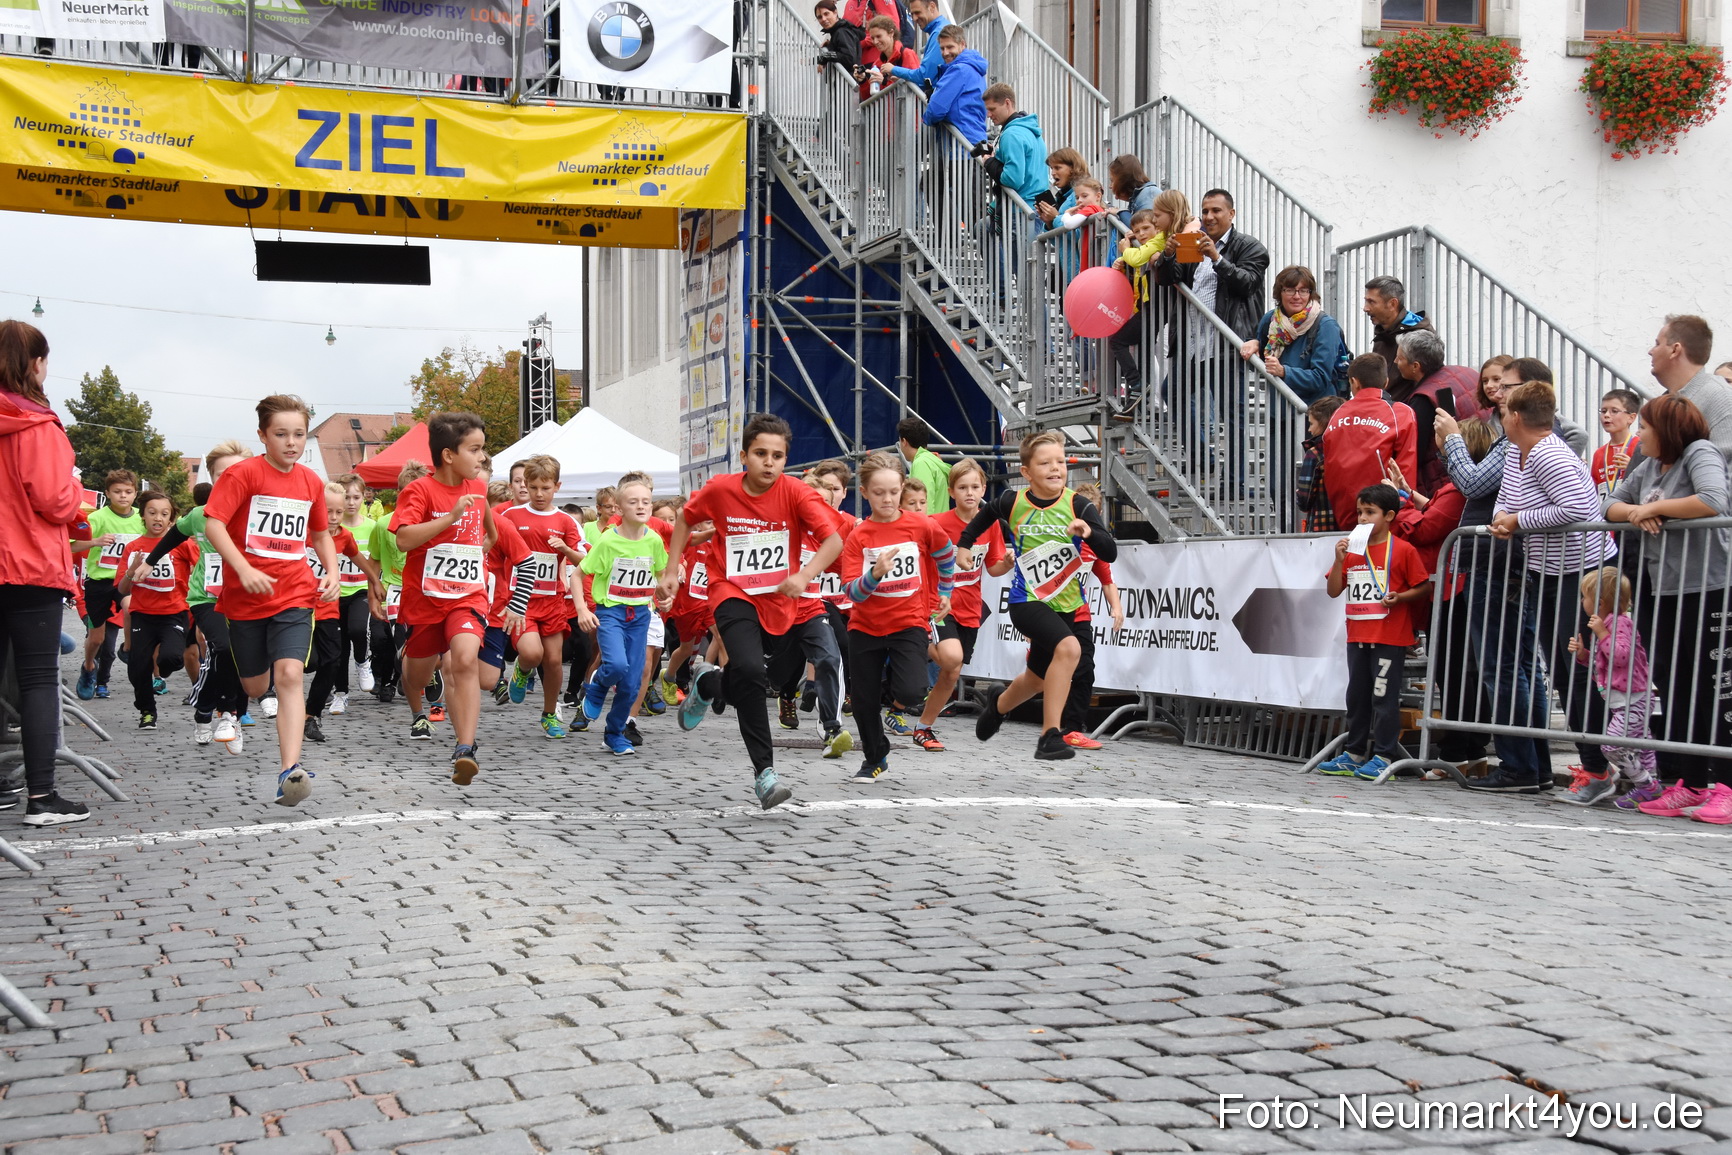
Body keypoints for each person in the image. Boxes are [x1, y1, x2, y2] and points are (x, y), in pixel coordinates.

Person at [656, 413, 844, 811]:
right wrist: (671, 570)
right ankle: (765, 775)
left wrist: (804, 574)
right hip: (731, 591)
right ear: (744, 456)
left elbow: (833, 541)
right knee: (751, 672)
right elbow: (686, 518)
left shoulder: (797, 493)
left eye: (778, 456)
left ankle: (708, 684)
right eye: (760, 453)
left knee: (757, 680)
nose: (769, 462)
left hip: (780, 600)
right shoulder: (721, 489)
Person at [1475, 380, 1615, 794]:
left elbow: (1576, 507)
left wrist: (1518, 522)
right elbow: (1507, 498)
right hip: (1549, 571)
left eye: (1504, 412)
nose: (1500, 418)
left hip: (1581, 571)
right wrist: (1502, 519)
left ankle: (1600, 766)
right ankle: (1592, 765)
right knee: (1562, 669)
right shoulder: (1518, 453)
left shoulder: (1549, 453)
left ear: (1515, 417)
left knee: (1577, 669)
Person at [202, 394, 340, 808]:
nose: (291, 442)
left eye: (298, 434)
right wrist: (243, 568)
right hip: (245, 599)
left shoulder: (311, 482)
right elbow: (213, 524)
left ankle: (289, 770)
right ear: (262, 435)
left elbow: (320, 535)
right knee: (256, 685)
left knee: (290, 675)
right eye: (281, 434)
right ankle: (246, 701)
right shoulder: (243, 475)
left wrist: (331, 572)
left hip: (295, 593)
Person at [1606, 392, 1732, 821]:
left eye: (1645, 427)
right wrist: (1635, 511)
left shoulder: (1700, 452)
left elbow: (1713, 499)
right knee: (1676, 685)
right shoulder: (1649, 466)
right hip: (1665, 590)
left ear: (1668, 430)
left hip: (1709, 586)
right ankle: (1691, 784)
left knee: (1712, 689)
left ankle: (1726, 785)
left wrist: (1654, 507)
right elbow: (1609, 504)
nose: (1640, 435)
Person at [391, 411, 534, 784]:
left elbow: (488, 523)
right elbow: (403, 539)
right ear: (448, 455)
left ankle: (465, 748)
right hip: (425, 601)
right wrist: (450, 517)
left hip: (467, 596)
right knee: (418, 677)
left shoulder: (477, 488)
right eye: (475, 449)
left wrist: (487, 540)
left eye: (483, 449)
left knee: (465, 658)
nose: (482, 457)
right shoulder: (419, 490)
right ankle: (410, 669)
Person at [960, 430, 1118, 761]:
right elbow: (982, 519)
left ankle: (998, 705)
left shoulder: (1078, 504)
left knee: (1036, 680)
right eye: (1045, 463)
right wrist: (964, 546)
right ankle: (1050, 735)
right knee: (1070, 648)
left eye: (1060, 461)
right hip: (1027, 601)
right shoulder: (1012, 502)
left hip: (1068, 606)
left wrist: (1090, 532)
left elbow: (1109, 552)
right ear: (1027, 472)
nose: (1055, 468)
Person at [0, 319, 91, 824]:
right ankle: (41, 797)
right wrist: (75, 488)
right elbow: (56, 501)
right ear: (35, 364)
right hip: (27, 563)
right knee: (37, 680)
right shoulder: (37, 425)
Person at [839, 454, 956, 780]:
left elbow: (946, 555)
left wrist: (945, 592)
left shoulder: (921, 525)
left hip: (908, 623)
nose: (887, 499)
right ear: (865, 492)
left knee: (912, 691)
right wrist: (874, 574)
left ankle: (895, 688)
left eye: (893, 491)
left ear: (902, 488)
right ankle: (875, 757)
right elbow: (852, 592)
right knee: (863, 702)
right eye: (879, 493)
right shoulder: (858, 537)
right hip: (865, 627)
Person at [1318, 483, 1433, 781]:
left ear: (1389, 516)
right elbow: (1333, 591)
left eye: (1370, 512)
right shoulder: (1353, 551)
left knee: (1383, 698)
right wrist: (1339, 560)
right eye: (1359, 512)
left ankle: (1383, 756)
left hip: (1388, 638)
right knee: (1357, 697)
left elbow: (1423, 586)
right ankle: (1354, 753)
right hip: (1357, 636)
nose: (1363, 518)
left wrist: (1400, 597)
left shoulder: (1403, 550)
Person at [142, 440, 252, 749]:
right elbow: (175, 535)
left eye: (237, 473)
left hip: (247, 597)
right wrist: (150, 562)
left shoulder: (257, 512)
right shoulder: (201, 514)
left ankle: (210, 709)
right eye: (221, 475)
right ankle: (227, 713)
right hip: (207, 597)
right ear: (213, 479)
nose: (230, 479)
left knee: (242, 656)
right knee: (225, 647)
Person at [915, 457, 1010, 747]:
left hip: (970, 607)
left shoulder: (991, 526)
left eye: (975, 487)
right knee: (951, 658)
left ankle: (923, 728)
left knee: (952, 671)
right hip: (939, 603)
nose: (970, 493)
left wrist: (1007, 564)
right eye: (962, 487)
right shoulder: (937, 523)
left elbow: (993, 568)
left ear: (984, 489)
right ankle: (912, 637)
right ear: (951, 491)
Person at [576, 474, 669, 755]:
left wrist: (666, 596)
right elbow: (578, 575)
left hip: (640, 615)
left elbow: (661, 575)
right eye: (633, 502)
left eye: (646, 502)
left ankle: (614, 733)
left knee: (631, 683)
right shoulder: (608, 541)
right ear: (618, 508)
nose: (641, 506)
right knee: (616, 665)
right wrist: (582, 609)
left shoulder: (653, 540)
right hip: (611, 613)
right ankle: (596, 686)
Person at [497, 454, 587, 736]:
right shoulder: (511, 516)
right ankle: (522, 669)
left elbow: (585, 562)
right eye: (533, 487)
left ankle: (549, 714)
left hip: (552, 600)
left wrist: (565, 550)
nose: (538, 494)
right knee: (532, 653)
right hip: (521, 600)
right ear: (525, 484)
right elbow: (493, 551)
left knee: (554, 661)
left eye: (545, 488)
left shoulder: (566, 521)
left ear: (557, 487)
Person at [1562, 567, 1657, 807]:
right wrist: (1583, 654)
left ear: (1600, 603)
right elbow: (1604, 664)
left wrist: (1603, 634)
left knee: (1611, 746)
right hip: (1622, 701)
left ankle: (1647, 786)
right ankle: (1650, 789)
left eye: (1584, 597)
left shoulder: (1620, 623)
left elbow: (1621, 656)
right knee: (1642, 747)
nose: (1581, 602)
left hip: (1633, 700)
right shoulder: (1606, 624)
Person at [302, 482, 379, 744]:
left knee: (332, 661)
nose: (334, 518)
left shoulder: (344, 536)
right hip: (300, 606)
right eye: (328, 511)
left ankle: (311, 716)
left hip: (327, 607)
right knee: (310, 662)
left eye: (338, 512)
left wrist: (375, 582)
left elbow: (360, 559)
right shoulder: (303, 532)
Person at [116, 492, 197, 730]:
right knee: (138, 668)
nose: (158, 518)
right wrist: (132, 570)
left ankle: (163, 672)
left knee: (170, 658)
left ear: (172, 519)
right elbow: (122, 588)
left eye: (164, 514)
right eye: (152, 513)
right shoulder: (134, 548)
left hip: (174, 613)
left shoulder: (182, 544)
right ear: (143, 515)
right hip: (143, 615)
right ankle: (147, 712)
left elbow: (203, 565)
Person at [1320, 354, 1418, 532]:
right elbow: (1406, 470)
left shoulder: (1337, 414)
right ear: (1386, 382)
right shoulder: (1400, 413)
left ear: (1354, 382)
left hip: (1343, 516)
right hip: (1385, 517)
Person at [72, 468, 142, 700]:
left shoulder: (142, 518)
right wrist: (95, 541)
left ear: (135, 493)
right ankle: (88, 667)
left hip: (126, 580)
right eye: (117, 491)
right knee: (97, 639)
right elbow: (70, 545)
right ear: (108, 493)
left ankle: (127, 649)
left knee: (130, 607)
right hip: (99, 583)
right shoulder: (96, 518)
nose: (123, 496)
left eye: (128, 492)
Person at [1239, 265, 1349, 404]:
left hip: (1314, 411)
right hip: (1278, 408)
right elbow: (1261, 362)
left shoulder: (1326, 326)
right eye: (1290, 290)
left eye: (1303, 291)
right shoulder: (1271, 320)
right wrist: (1255, 343)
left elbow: (1321, 377)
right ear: (1279, 293)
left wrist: (1284, 372)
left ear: (1310, 294)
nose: (1297, 296)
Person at [366, 460, 426, 706]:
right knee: (385, 640)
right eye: (408, 493)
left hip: (423, 592)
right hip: (393, 590)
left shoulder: (431, 524)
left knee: (414, 640)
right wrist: (373, 594)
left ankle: (405, 676)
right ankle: (386, 677)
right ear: (399, 492)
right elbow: (374, 559)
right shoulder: (383, 524)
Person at [1388, 329, 1477, 493]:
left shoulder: (1423, 399)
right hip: (1477, 459)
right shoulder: (1467, 372)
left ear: (1415, 366)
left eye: (1400, 358)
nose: (1395, 361)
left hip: (1446, 481)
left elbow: (1414, 452)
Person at [1648, 314, 1732, 464]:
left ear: (1675, 350)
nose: (1651, 351)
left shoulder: (1722, 400)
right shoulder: (1663, 403)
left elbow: (1726, 471)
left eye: (1657, 344)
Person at [332, 473, 378, 706]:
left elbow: (378, 559)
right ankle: (340, 693)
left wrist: (377, 584)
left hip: (360, 589)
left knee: (358, 630)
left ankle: (362, 660)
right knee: (338, 645)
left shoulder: (372, 527)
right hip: (336, 592)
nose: (351, 502)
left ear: (364, 497)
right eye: (346, 497)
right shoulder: (332, 528)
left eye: (356, 497)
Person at [979, 84, 1046, 210]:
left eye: (992, 109)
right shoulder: (1030, 129)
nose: (988, 115)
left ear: (1007, 103)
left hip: (1019, 209)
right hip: (1035, 207)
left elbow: (1012, 179)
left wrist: (989, 162)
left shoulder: (1011, 134)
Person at [1363, 275, 1435, 386]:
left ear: (1392, 304)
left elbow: (1429, 384)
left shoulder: (1418, 337)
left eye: (1371, 302)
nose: (1365, 308)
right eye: (1366, 301)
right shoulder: (1383, 333)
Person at [921, 24, 986, 145]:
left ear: (962, 44)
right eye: (942, 48)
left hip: (960, 144)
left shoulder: (959, 70)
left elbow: (936, 110)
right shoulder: (972, 67)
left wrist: (927, 118)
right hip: (972, 139)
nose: (945, 53)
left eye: (950, 47)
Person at [1296, 396, 1345, 532]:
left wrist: (1299, 495)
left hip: (1322, 528)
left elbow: (1304, 501)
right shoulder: (1355, 450)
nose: (1309, 430)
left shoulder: (1315, 453)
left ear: (1324, 423)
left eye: (1311, 424)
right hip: (1350, 527)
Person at [1590, 388, 1644, 500]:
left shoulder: (1641, 447)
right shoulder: (1599, 453)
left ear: (1631, 417)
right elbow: (1593, 489)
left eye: (1614, 411)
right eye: (1603, 411)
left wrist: (1632, 467)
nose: (1606, 415)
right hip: (1604, 509)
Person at [854, 16, 918, 101]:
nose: (875, 42)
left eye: (879, 36)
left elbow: (915, 87)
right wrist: (863, 81)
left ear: (891, 33)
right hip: (889, 109)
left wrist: (885, 82)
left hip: (907, 108)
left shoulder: (907, 54)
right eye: (872, 38)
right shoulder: (877, 64)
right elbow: (870, 99)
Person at [897, 416, 951, 515]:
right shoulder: (932, 460)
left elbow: (925, 504)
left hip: (928, 523)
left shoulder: (921, 463)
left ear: (904, 442)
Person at [888, 0, 948, 87]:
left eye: (917, 13)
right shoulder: (940, 29)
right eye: (912, 14)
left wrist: (893, 69)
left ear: (932, 7)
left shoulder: (939, 32)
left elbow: (925, 76)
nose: (914, 18)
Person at [1036, 147, 1089, 227]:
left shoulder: (1084, 195)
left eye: (1057, 168)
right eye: (1051, 168)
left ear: (1073, 168)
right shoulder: (1062, 196)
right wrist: (1049, 223)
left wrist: (1056, 217)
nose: (1053, 173)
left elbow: (1077, 231)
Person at [1108, 154, 1159, 232]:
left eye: (1112, 181)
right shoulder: (1142, 196)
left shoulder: (1147, 195)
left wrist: (1120, 213)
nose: (1110, 186)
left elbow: (1143, 228)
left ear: (1122, 181)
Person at [814, 0, 863, 73]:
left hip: (847, 78)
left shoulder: (842, 31)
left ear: (835, 12)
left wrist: (826, 56)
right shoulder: (838, 31)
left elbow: (849, 58)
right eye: (820, 17)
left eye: (826, 14)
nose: (823, 19)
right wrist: (830, 46)